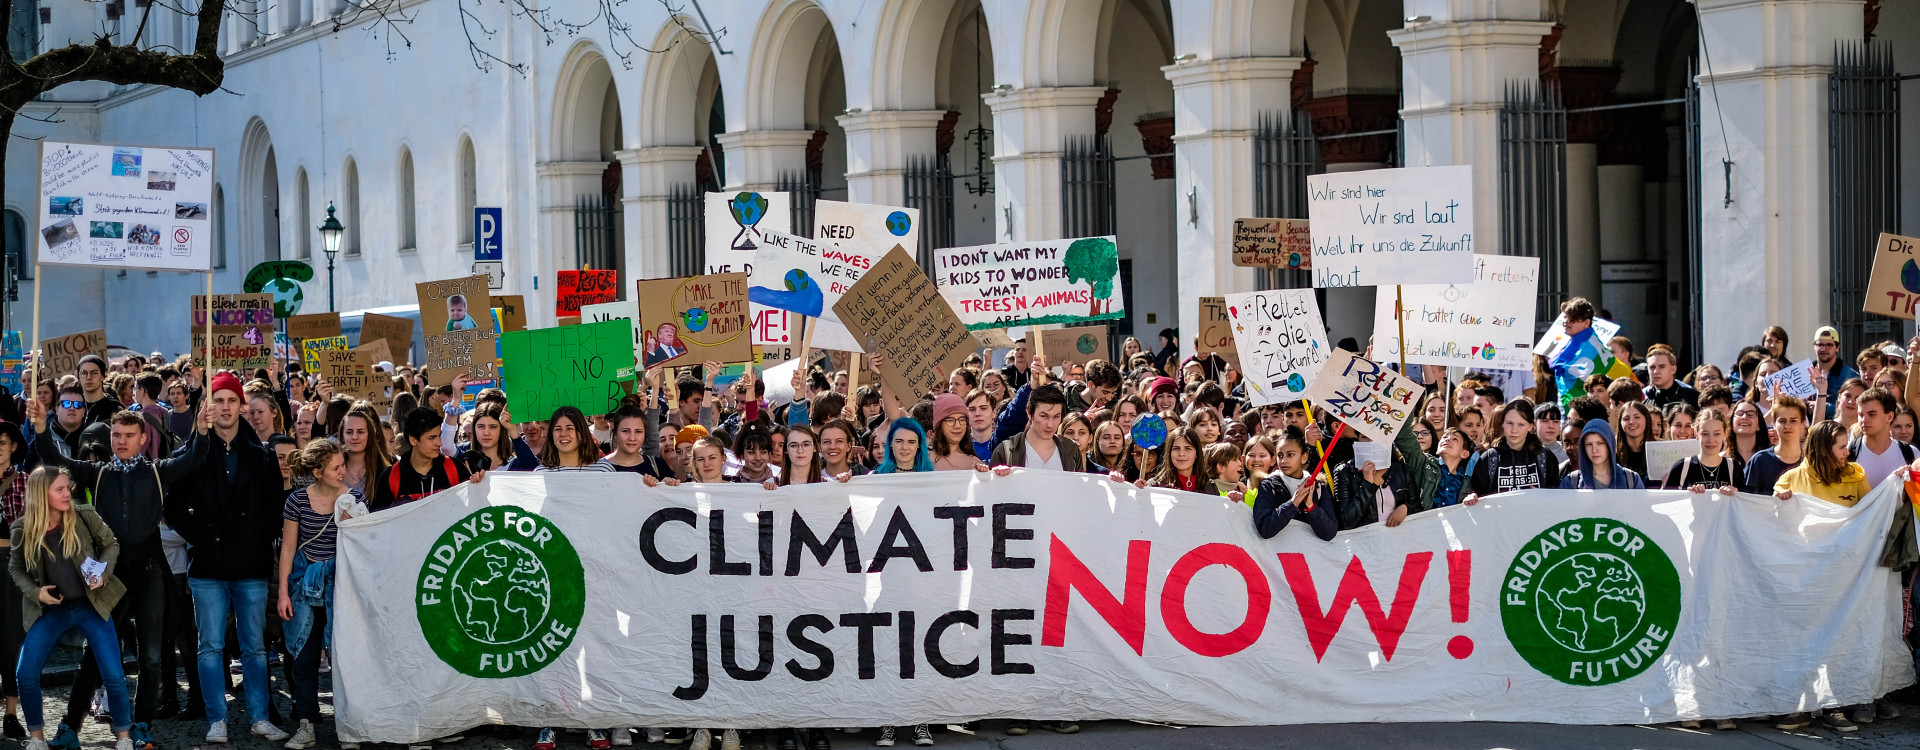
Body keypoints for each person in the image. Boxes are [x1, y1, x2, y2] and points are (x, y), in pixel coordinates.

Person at [27, 403, 208, 750]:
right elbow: (53, 458)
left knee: (152, 656)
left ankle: (141, 725)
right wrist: (39, 429)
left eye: (128, 435)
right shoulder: (97, 473)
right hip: (108, 574)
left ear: (143, 439)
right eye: (116, 435)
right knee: (95, 654)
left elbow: (194, 459)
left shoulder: (158, 472)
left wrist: (201, 428)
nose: (121, 441)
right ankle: (70, 727)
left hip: (150, 571)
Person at [162, 372, 291, 745]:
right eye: (218, 400)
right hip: (208, 564)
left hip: (249, 564)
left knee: (253, 646)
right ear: (208, 406)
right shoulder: (191, 453)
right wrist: (202, 534)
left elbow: (273, 506)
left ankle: (260, 716)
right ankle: (216, 717)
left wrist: (256, 537)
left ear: (242, 406)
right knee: (210, 645)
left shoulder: (261, 456)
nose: (225, 407)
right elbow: (174, 506)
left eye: (231, 400)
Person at [9, 467, 135, 750]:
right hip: (52, 609)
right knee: (25, 673)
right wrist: (35, 591)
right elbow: (15, 567)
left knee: (113, 672)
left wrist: (102, 573)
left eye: (68, 488)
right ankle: (37, 737)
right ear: (42, 494)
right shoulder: (22, 528)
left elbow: (111, 544)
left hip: (91, 605)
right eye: (60, 489)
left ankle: (124, 736)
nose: (68, 494)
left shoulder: (83, 514)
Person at [275, 439, 365, 750]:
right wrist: (283, 593)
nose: (344, 471)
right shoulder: (297, 501)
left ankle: (349, 725)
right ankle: (307, 724)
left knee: (345, 658)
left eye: (343, 465)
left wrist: (356, 525)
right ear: (318, 471)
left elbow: (362, 547)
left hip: (341, 587)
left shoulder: (354, 498)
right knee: (304, 657)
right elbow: (288, 548)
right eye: (336, 467)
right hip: (304, 588)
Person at [371, 409, 483, 512]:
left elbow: (473, 509)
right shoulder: (390, 477)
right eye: (432, 438)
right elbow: (379, 523)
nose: (439, 443)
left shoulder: (455, 468)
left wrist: (478, 485)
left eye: (439, 436)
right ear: (413, 440)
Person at [1463, 400, 1561, 502]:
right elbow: (1476, 494)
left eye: (1521, 424)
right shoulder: (1489, 458)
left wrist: (1542, 496)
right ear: (1502, 424)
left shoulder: (1545, 457)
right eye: (1509, 423)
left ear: (1531, 426)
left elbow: (1557, 497)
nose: (1514, 430)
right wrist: (1471, 497)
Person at [1740, 395, 1809, 495]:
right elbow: (1746, 498)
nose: (1787, 426)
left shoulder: (1810, 461)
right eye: (1782, 421)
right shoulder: (1760, 460)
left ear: (1803, 424)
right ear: (1774, 424)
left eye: (1793, 420)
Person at [1847, 388, 1914, 489]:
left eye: (1872, 414)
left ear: (1889, 417)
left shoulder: (1911, 453)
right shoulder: (1848, 452)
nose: (1864, 420)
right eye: (1860, 415)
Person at [1557, 421, 1645, 490]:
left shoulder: (1631, 480)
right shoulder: (1571, 482)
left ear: (1610, 445)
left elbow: (1641, 510)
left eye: (1600, 443)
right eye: (1589, 444)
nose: (1594, 450)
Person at [1668, 408, 1740, 491]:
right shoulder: (1681, 467)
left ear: (1725, 434)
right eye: (1705, 434)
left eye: (1717, 434)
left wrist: (1736, 493)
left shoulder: (1733, 468)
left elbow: (1745, 501)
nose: (1711, 440)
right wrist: (1690, 497)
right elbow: (1666, 501)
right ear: (1696, 433)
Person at [1811, 326, 1858, 418]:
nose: (1824, 349)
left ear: (1837, 348)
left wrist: (1821, 406)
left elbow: (1854, 408)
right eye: (1820, 345)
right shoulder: (1803, 373)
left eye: (1829, 345)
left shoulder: (1850, 376)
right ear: (1814, 347)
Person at [927, 395, 980, 471]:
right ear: (939, 425)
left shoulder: (975, 463)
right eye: (950, 420)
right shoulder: (923, 459)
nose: (957, 426)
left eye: (962, 419)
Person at [74, 356, 123, 429]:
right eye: (83, 373)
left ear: (103, 376)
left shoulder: (114, 408)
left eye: (94, 373)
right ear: (79, 377)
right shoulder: (72, 405)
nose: (88, 377)